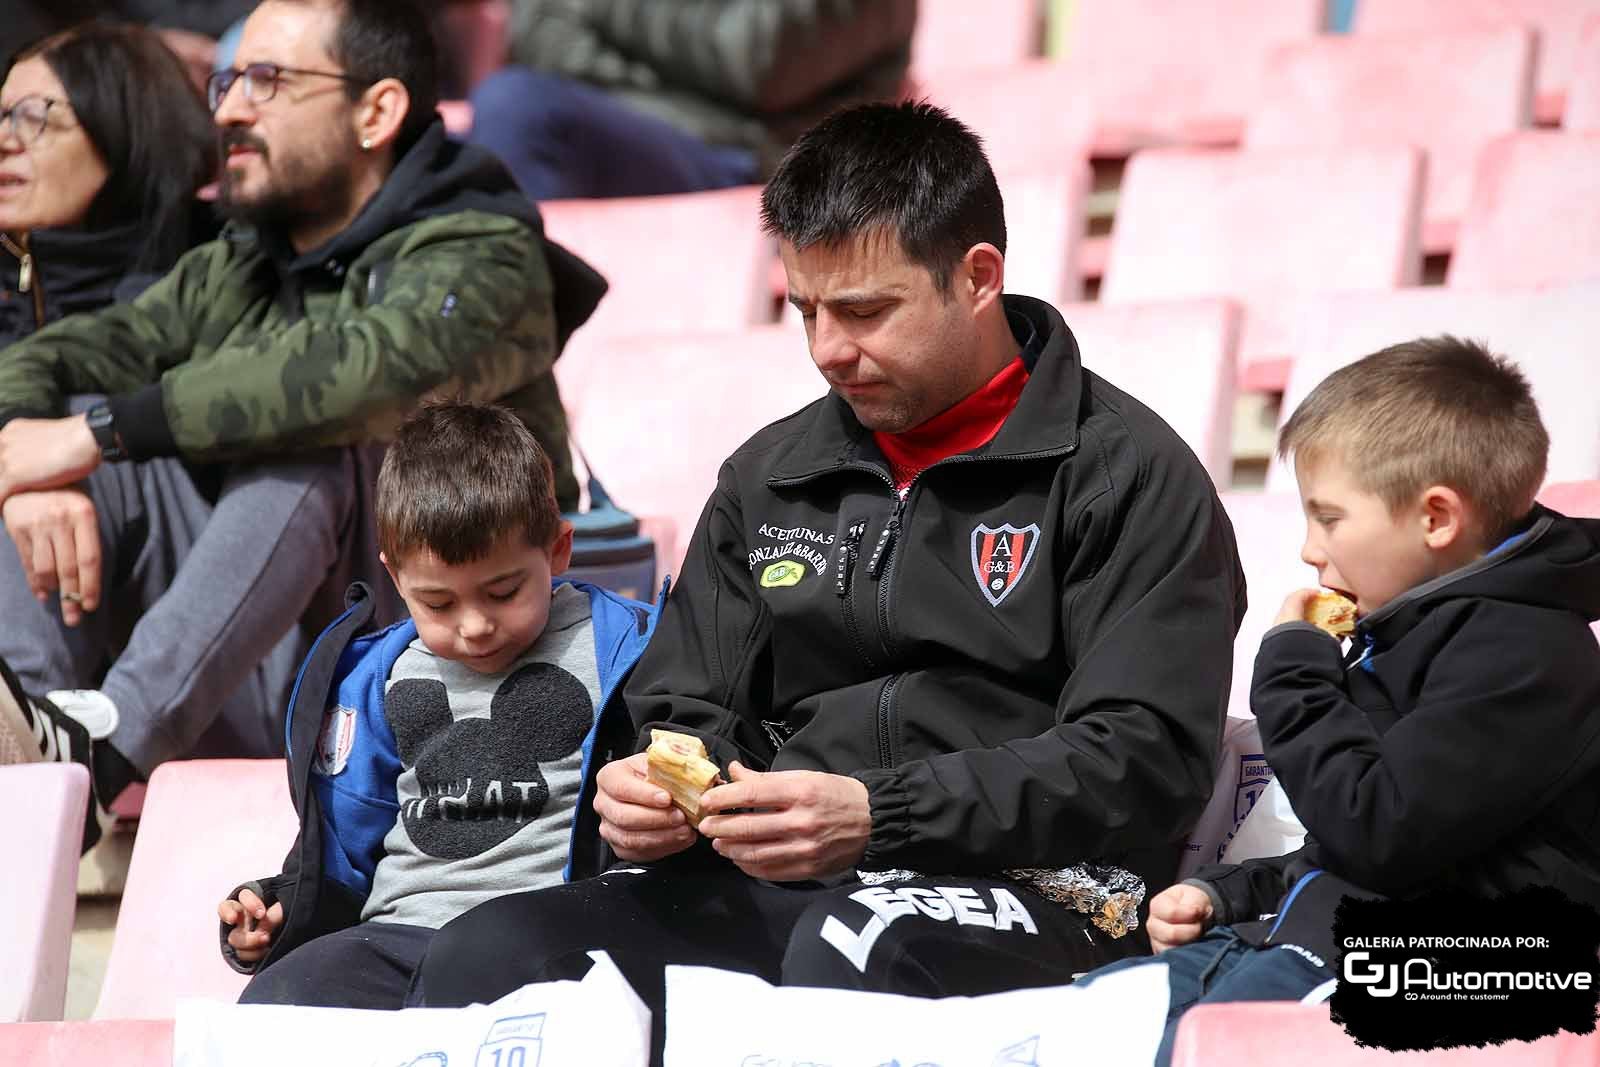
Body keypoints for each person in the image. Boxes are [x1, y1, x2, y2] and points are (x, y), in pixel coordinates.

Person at [416, 101, 1246, 1057]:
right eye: (805, 310)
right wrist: (650, 786)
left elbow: (1141, 756)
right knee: (492, 953)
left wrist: (877, 816)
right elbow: (685, 703)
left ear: (977, 279)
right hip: (789, 875)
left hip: (1051, 888)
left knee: (851, 955)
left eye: (864, 311)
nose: (827, 350)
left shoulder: (1129, 473)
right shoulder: (767, 475)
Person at [0, 0, 605, 852]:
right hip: (238, 667)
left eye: (267, 81)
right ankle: (36, 755)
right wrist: (31, 462)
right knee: (49, 435)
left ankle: (101, 748)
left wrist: (102, 432)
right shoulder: (236, 264)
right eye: (227, 81)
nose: (230, 109)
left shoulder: (484, 250)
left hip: (430, 660)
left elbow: (364, 375)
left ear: (377, 111)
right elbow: (59, 357)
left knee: (311, 431)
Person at [1073, 337, 1600, 1067]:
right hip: (1307, 942)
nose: (1309, 550)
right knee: (1065, 1028)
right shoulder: (1420, 628)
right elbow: (1372, 849)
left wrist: (1292, 666)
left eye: (1329, 517)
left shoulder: (1526, 653)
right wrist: (1230, 891)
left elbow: (1376, 827)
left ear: (1437, 518)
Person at [212, 400, 656, 1009]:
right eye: (439, 604)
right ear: (395, 578)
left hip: (552, 931)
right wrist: (282, 906)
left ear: (557, 550)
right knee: (280, 999)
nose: (475, 626)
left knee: (472, 968)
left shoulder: (626, 646)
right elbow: (347, 846)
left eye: (503, 592)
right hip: (398, 931)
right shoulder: (375, 676)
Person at [468, 0, 917, 200]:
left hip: (756, 160)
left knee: (515, 109)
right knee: (438, 137)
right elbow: (535, 34)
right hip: (617, 122)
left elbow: (761, 60)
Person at [1, 22, 219, 350]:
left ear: (123, 133)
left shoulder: (197, 313)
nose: (4, 139)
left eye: (33, 116)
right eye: (2, 116)